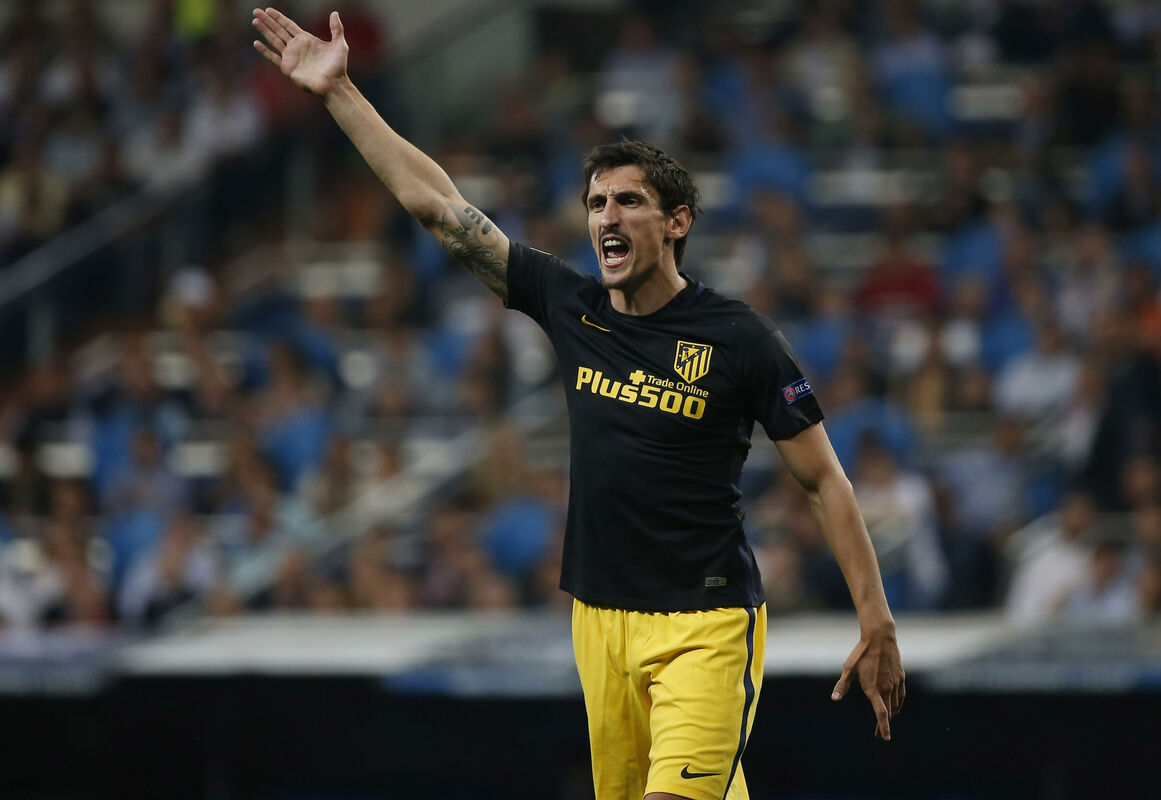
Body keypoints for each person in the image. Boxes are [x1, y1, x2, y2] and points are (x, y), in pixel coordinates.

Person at [251, 9, 905, 799]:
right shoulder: (572, 306)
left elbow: (824, 479)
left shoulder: (741, 339)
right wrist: (340, 93)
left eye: (628, 202)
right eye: (596, 204)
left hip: (706, 626)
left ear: (677, 222)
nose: (606, 218)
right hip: (599, 621)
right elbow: (440, 209)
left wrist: (875, 616)